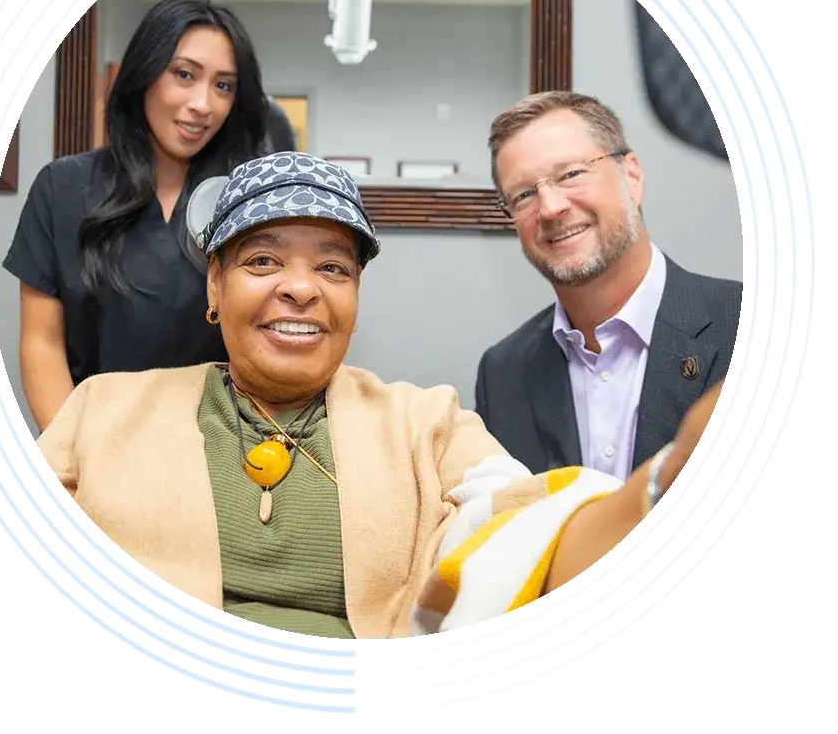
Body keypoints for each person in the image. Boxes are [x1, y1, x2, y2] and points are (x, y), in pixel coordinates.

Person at [36, 151, 725, 640]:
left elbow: (537, 543)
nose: (300, 287)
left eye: (332, 266)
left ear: (354, 300)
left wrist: (666, 479)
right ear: (214, 287)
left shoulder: (425, 424)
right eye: (262, 260)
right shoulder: (102, 411)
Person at [3, 0, 274, 432]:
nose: (203, 104)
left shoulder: (249, 199)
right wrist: (73, 457)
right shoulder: (63, 187)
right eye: (184, 75)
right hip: (94, 443)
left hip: (224, 450)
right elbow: (42, 344)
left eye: (223, 85)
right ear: (144, 74)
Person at [475, 91, 742, 479]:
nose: (550, 208)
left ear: (631, 176)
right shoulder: (503, 375)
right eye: (525, 195)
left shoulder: (759, 327)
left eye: (571, 174)